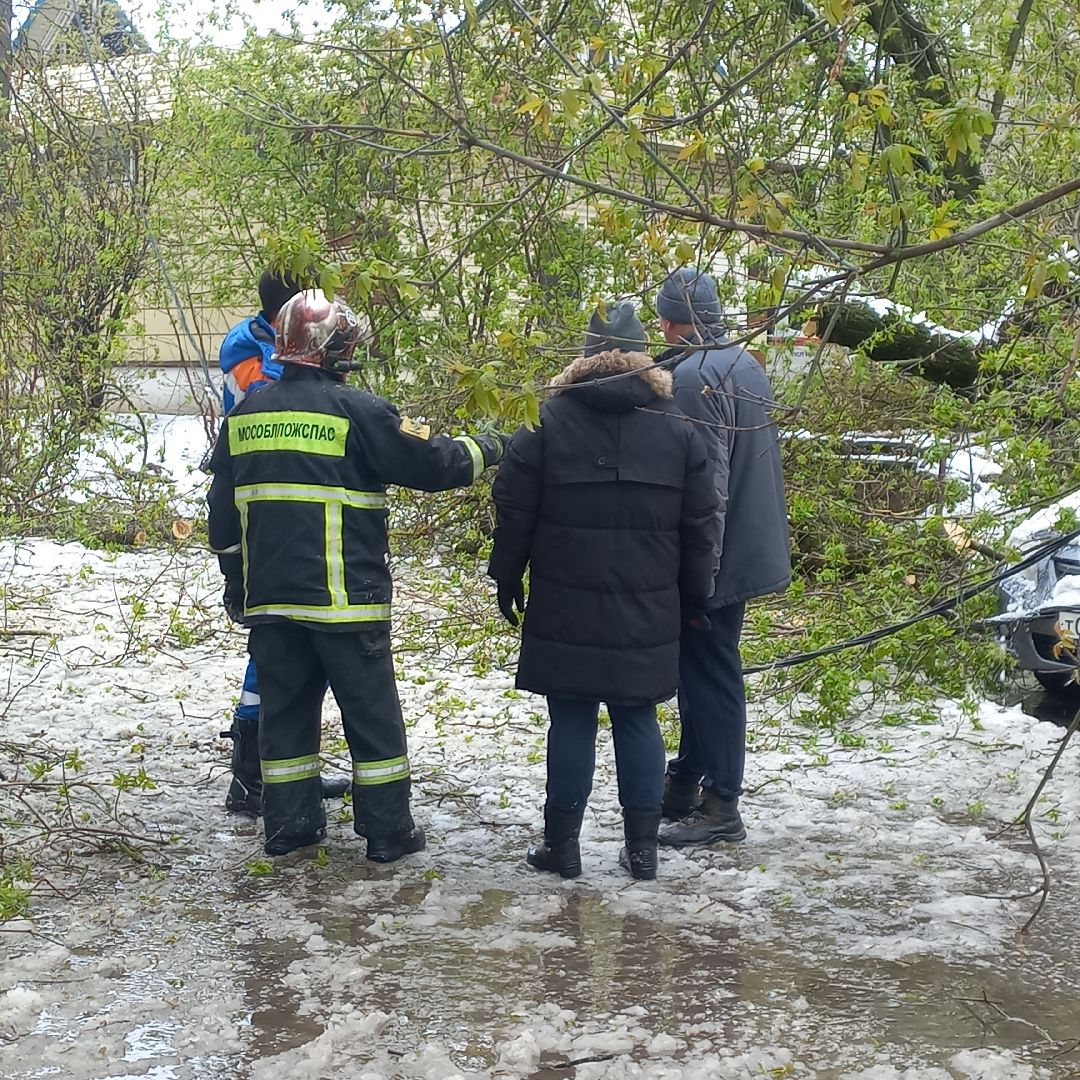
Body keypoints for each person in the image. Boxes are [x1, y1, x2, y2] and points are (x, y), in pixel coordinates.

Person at [207, 289, 506, 860]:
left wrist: (236, 583)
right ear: (334, 349)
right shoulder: (359, 410)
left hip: (271, 601)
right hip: (346, 601)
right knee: (372, 720)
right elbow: (435, 462)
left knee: (285, 716)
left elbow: (222, 514)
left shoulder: (244, 416)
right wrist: (495, 446)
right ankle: (387, 831)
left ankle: (289, 824)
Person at [488, 301, 718, 880]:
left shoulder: (546, 423)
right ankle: (643, 851)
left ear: (584, 356)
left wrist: (507, 576)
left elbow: (513, 512)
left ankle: (561, 848)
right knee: (637, 716)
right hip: (648, 604)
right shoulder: (679, 429)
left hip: (564, 602)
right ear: (644, 355)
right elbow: (700, 525)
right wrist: (696, 598)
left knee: (570, 718)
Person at [653, 267, 791, 848]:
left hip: (718, 553)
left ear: (666, 318)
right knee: (702, 668)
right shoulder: (742, 364)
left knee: (711, 674)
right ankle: (687, 781)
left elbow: (706, 484)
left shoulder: (692, 378)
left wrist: (695, 572)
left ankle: (722, 804)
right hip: (746, 544)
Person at [216, 269, 349, 816]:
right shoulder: (250, 353)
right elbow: (281, 404)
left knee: (291, 642)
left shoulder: (265, 345)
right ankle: (251, 774)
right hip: (264, 504)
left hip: (287, 499)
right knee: (271, 644)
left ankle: (286, 770)